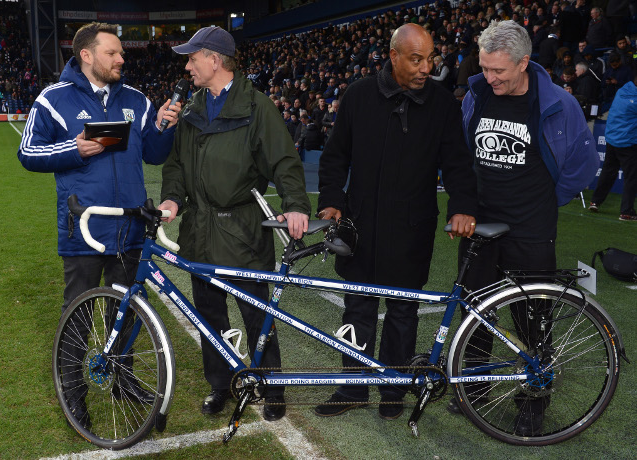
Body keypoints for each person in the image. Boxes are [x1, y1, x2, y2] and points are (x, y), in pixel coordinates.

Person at [314, 23, 478, 421]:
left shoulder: (441, 104)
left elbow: (456, 162)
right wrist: (333, 201)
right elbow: (336, 156)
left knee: (402, 314)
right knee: (357, 309)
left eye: (430, 58)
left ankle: (394, 391)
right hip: (361, 227)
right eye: (416, 59)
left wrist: (463, 205)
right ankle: (352, 388)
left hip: (412, 229)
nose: (426, 67)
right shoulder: (357, 96)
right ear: (393, 56)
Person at [17, 22, 178, 427]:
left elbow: (155, 155)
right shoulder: (54, 99)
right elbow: (28, 151)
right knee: (78, 316)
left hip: (129, 229)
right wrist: (73, 148)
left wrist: (161, 125)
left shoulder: (137, 100)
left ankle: (123, 380)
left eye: (121, 53)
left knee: (125, 315)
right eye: (112, 53)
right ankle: (74, 395)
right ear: (86, 55)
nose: (121, 59)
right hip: (84, 228)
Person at [158, 26, 311, 422]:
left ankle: (272, 387)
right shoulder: (191, 107)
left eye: (193, 57)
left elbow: (283, 160)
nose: (188, 65)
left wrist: (295, 204)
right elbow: (175, 164)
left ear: (214, 59)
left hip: (242, 227)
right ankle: (220, 385)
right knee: (209, 314)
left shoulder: (256, 105)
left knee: (256, 312)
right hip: (199, 227)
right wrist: (173, 198)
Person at [454, 20, 599, 436]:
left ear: (524, 63)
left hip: (531, 228)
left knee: (533, 318)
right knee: (475, 313)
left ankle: (534, 401)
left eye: (499, 70)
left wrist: (544, 201)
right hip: (481, 226)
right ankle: (473, 391)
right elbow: (467, 149)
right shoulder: (478, 93)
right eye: (485, 67)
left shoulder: (558, 103)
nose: (490, 77)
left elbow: (583, 166)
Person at [589, 76, 637, 221]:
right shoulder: (634, 100)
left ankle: (595, 201)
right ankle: (626, 211)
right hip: (627, 142)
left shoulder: (623, 90)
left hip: (612, 138)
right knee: (631, 177)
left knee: (608, 172)